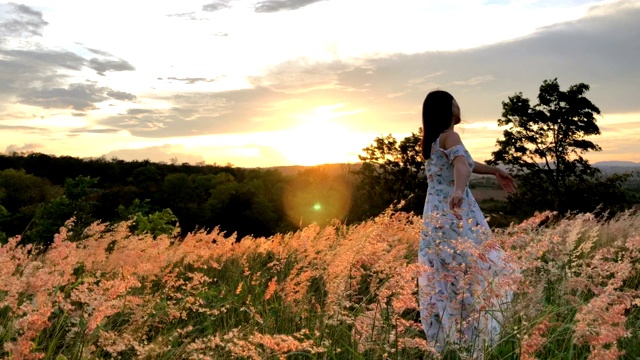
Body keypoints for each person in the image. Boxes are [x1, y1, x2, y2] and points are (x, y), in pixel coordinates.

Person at [418, 90, 516, 356]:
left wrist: (495, 170)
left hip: (435, 217)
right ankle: (473, 337)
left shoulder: (434, 140)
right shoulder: (452, 136)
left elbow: (466, 162)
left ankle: (450, 335)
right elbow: (461, 165)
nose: (459, 104)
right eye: (455, 100)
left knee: (445, 275)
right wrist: (459, 191)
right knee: (477, 269)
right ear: (448, 107)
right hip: (455, 212)